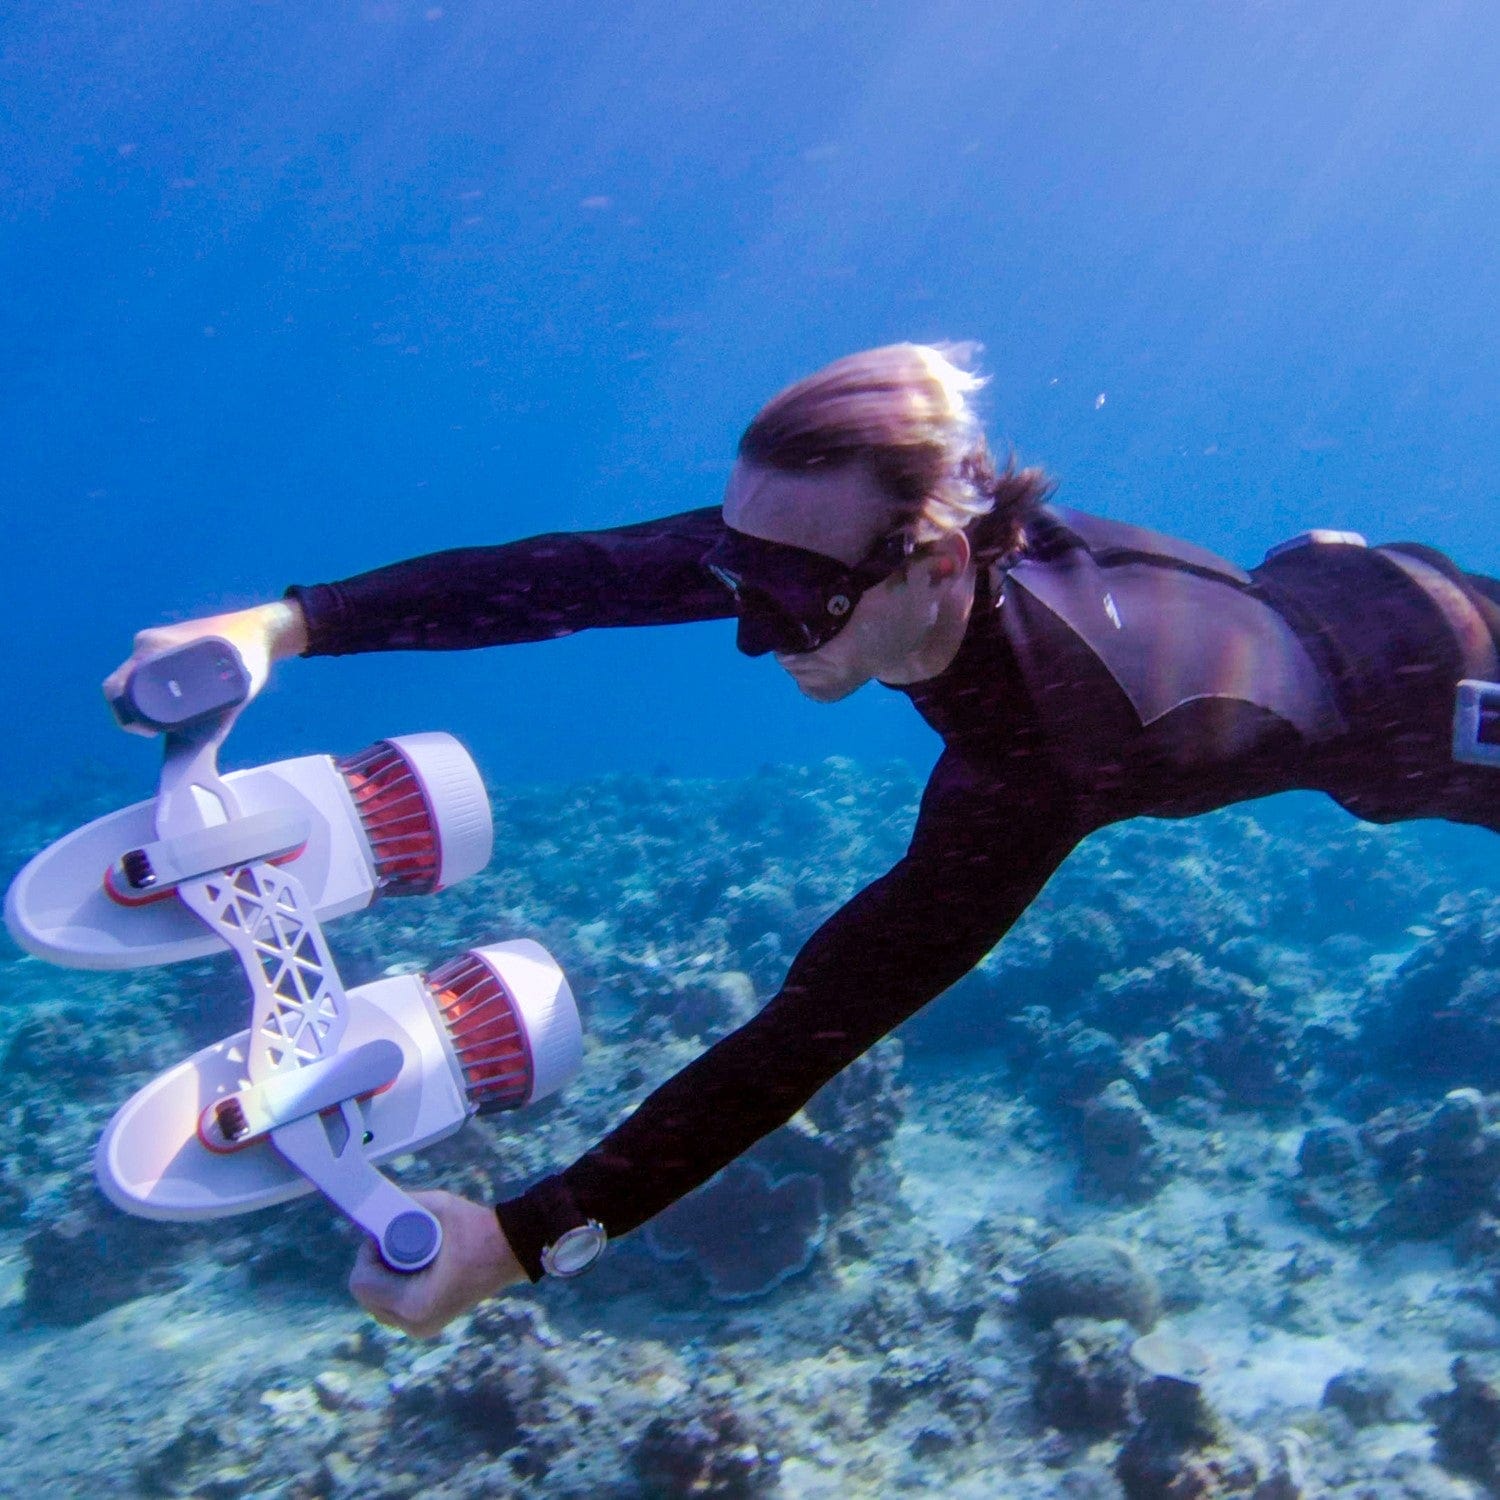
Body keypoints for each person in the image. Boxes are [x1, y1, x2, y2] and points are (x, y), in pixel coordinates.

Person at [106, 343, 1500, 1339]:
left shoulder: (1060, 738)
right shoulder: (847, 541)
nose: (750, 627)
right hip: (1348, 578)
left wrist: (524, 1243)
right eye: (735, 571)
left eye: (792, 598)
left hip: (1443, 715)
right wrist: (280, 626)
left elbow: (813, 1026)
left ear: (938, 558)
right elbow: (578, 578)